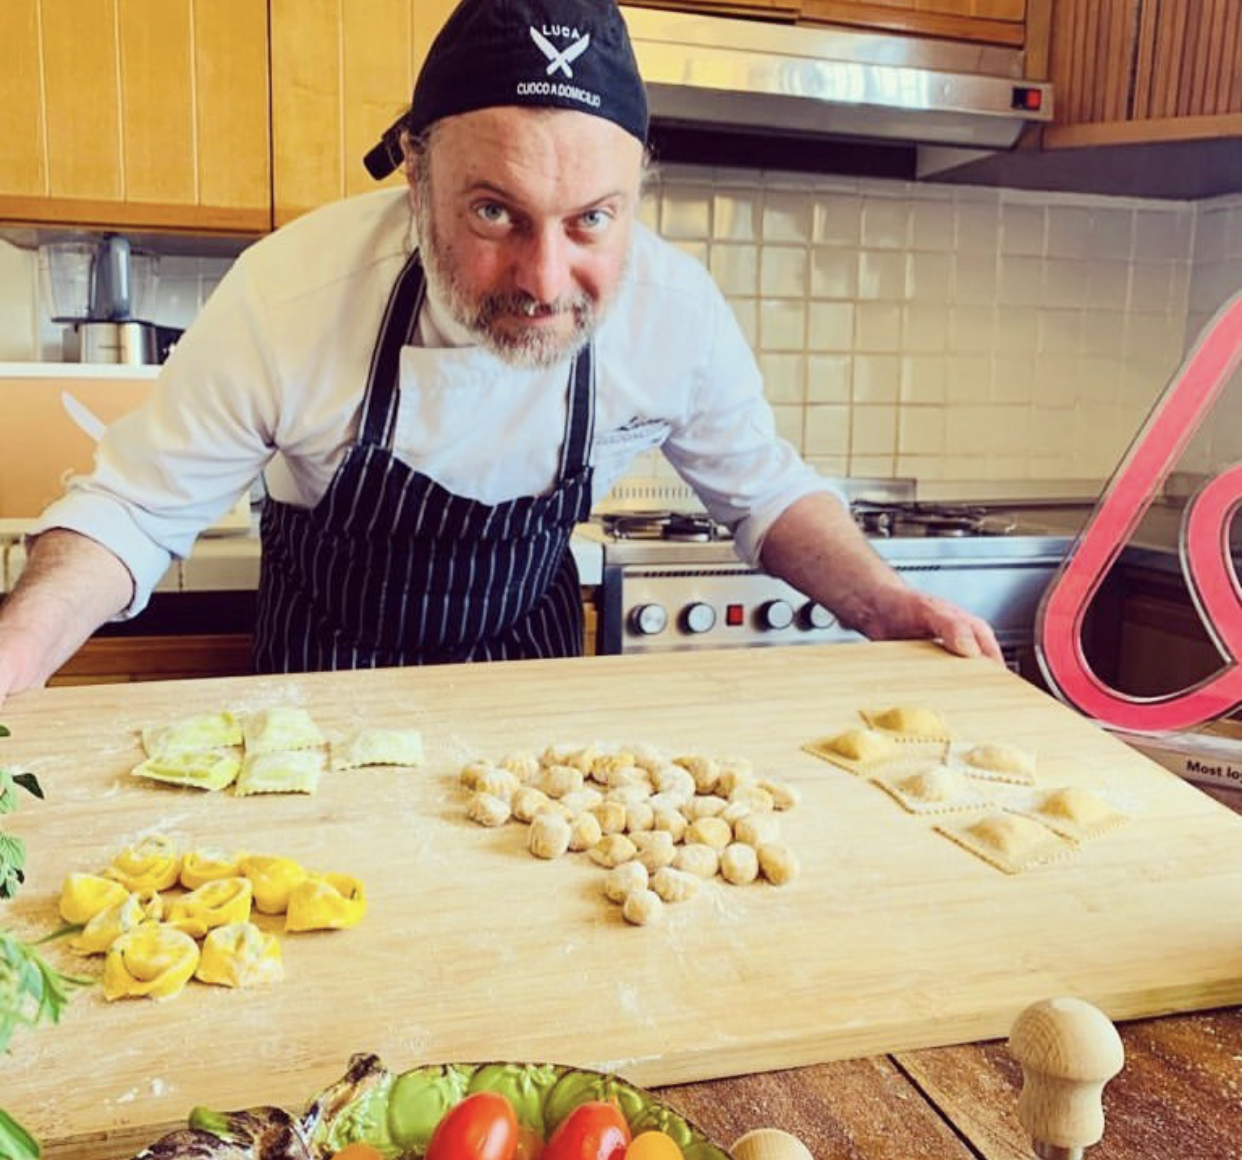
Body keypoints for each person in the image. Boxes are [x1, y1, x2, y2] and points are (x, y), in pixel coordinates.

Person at [0, 0, 1000, 698]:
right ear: (414, 176)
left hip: (529, 695)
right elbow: (133, 511)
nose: (544, 277)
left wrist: (885, 603)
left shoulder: (673, 310)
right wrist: (17, 649)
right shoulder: (288, 294)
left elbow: (764, 494)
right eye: (495, 211)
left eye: (592, 220)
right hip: (318, 699)